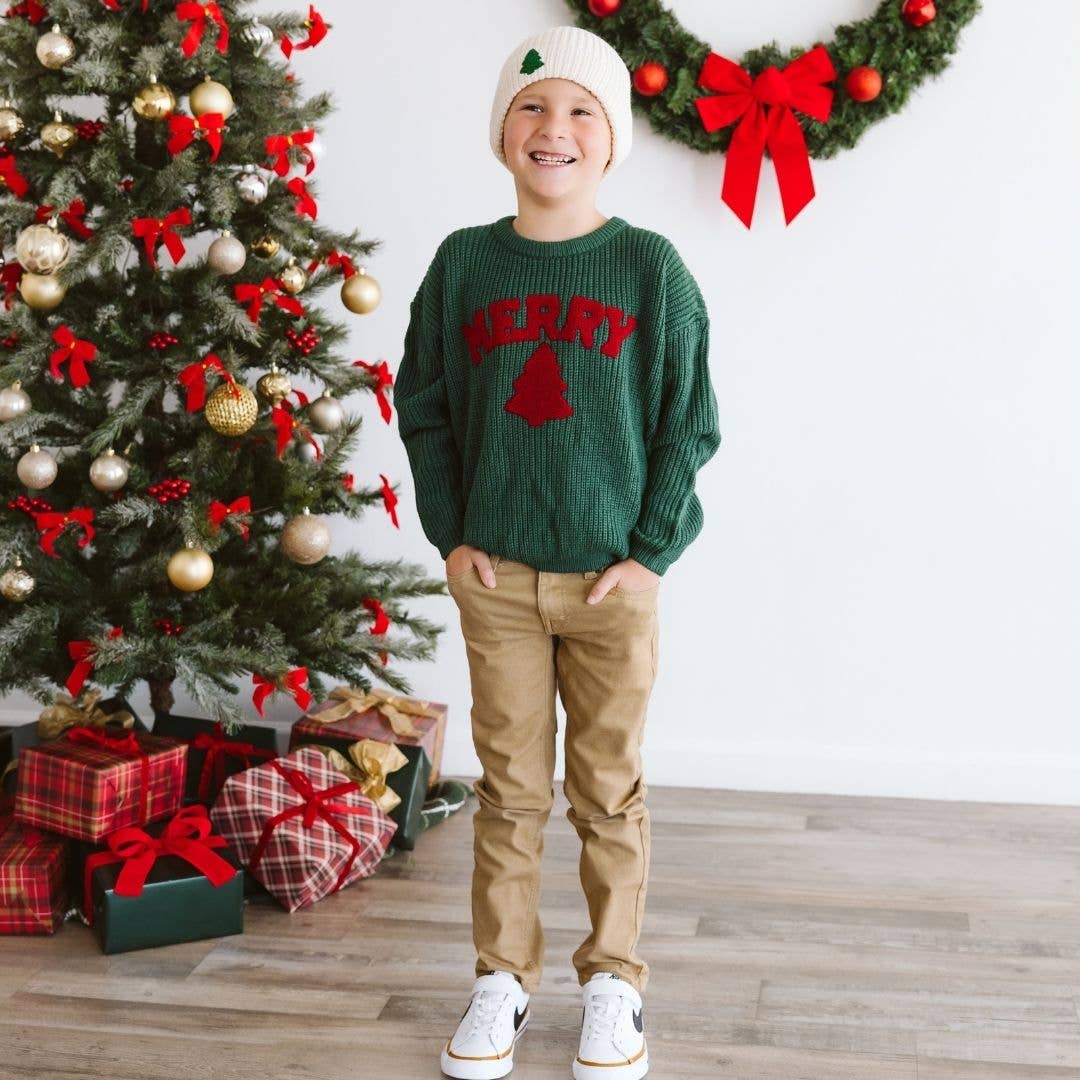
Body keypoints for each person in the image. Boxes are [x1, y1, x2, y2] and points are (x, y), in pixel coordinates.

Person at [394, 24, 721, 1080]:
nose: (556, 129)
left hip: (612, 584)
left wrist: (652, 551)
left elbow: (689, 420)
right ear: (502, 133)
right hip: (498, 582)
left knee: (608, 792)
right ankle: (503, 978)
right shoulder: (463, 265)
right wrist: (453, 536)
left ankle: (614, 982)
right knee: (509, 789)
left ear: (613, 138)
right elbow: (428, 406)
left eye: (583, 110)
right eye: (533, 108)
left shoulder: (648, 269)